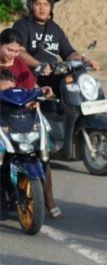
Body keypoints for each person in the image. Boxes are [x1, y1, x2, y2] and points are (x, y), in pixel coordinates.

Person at [0, 27, 59, 218]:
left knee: (43, 156)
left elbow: (30, 86)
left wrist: (40, 92)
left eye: (17, 51)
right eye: (10, 50)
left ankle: (49, 201)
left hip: (19, 119)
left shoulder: (19, 63)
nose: (14, 55)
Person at [12, 0, 101, 92]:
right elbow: (18, 51)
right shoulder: (22, 25)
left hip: (54, 74)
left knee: (76, 87)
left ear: (50, 7)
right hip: (31, 76)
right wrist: (39, 64)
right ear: (31, 6)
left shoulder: (55, 29)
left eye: (46, 4)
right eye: (38, 4)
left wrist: (85, 61)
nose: (42, 8)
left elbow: (69, 53)